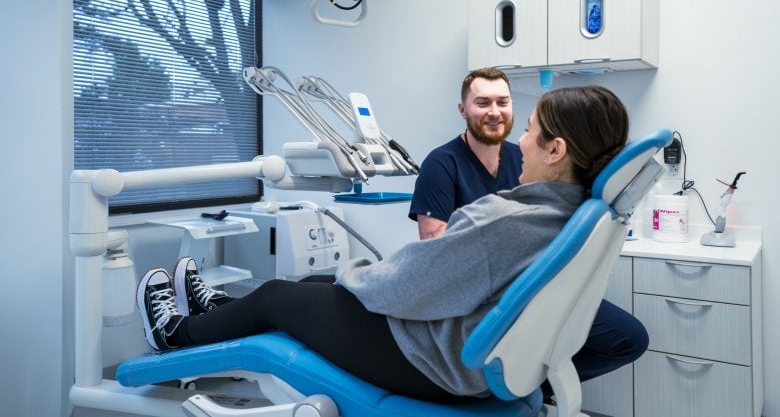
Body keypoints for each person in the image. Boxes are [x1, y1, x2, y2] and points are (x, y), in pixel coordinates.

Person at [137, 85, 648, 403]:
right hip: (468, 351)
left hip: (437, 364)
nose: (520, 140)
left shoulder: (510, 219)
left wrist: (354, 271)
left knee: (281, 295)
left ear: (557, 150)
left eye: (531, 132)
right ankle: (217, 311)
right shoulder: (579, 211)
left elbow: (401, 287)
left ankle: (174, 334)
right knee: (312, 288)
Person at [409, 67, 522, 240]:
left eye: (502, 102)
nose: (494, 112)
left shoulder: (524, 160)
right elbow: (436, 249)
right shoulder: (440, 165)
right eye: (482, 103)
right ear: (462, 110)